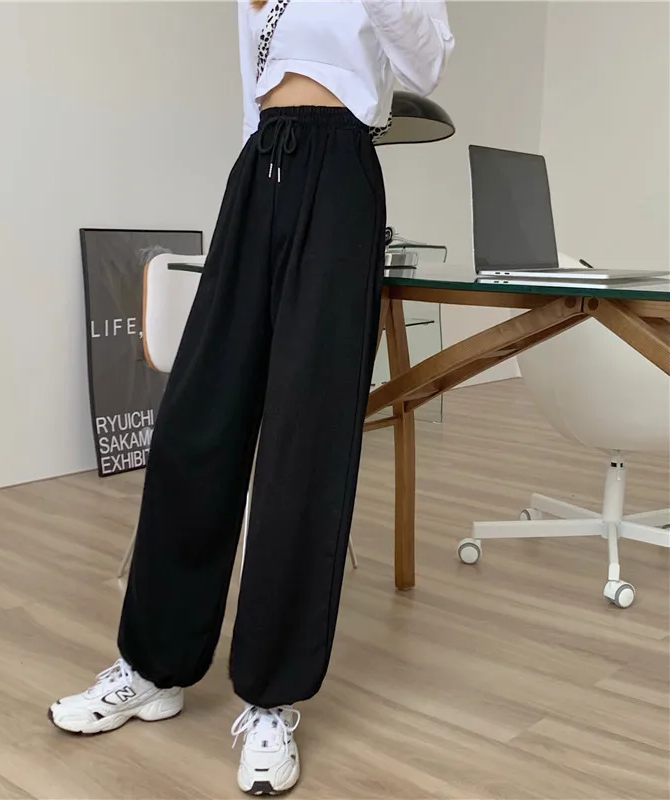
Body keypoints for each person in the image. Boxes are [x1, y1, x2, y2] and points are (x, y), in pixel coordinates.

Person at [50, 0, 453, 794]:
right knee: (195, 422)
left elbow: (426, 64)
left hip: (341, 172)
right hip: (258, 168)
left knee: (305, 440)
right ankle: (154, 665)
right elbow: (251, 89)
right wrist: (252, 193)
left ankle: (271, 699)